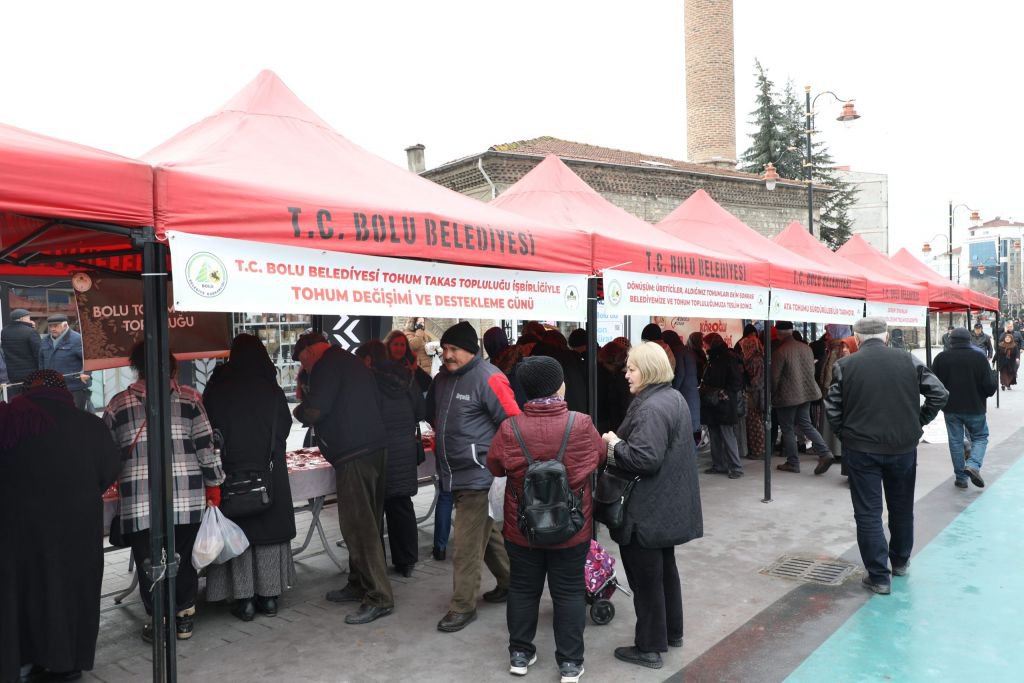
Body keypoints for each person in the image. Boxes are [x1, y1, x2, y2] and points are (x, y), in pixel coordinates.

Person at [487, 356, 604, 683]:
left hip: (522, 527)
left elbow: (495, 466)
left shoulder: (510, 427)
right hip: (572, 526)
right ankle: (569, 664)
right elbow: (600, 456)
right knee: (568, 592)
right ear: (558, 386)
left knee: (523, 590)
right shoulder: (580, 423)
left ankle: (520, 655)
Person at [0, 370, 120, 682]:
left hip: (17, 530)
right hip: (76, 527)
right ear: (64, 391)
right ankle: (68, 663)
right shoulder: (89, 425)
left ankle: (26, 659)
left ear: (24, 391)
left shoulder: (9, 421)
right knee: (73, 590)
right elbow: (108, 471)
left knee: (26, 591)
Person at [103, 343, 225, 641]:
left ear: (136, 368)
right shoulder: (190, 398)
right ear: (172, 368)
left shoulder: (117, 404)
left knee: (149, 563)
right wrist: (215, 483)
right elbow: (206, 448)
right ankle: (184, 618)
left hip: (139, 502)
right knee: (182, 557)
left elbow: (106, 454)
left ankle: (160, 624)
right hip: (186, 498)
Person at [825, 317, 948, 594]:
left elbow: (832, 407)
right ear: (887, 337)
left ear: (856, 339)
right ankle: (901, 562)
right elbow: (939, 393)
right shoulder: (909, 361)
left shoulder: (845, 365)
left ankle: (879, 576)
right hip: (902, 448)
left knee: (868, 513)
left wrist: (846, 434)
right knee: (902, 507)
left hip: (861, 449)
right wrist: (918, 422)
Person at [601, 342, 703, 670]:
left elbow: (645, 458)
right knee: (664, 573)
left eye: (631, 368)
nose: (625, 373)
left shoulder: (650, 407)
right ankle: (672, 633)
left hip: (646, 509)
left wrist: (614, 444)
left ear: (648, 370)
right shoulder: (671, 398)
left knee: (646, 581)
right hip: (666, 505)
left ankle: (649, 646)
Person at [292, 332, 394, 624]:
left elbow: (314, 411)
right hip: (374, 448)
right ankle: (359, 581)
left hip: (354, 454)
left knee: (358, 527)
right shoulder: (351, 361)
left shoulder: (326, 365)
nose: (305, 368)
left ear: (311, 352)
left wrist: (300, 405)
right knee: (369, 522)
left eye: (303, 362)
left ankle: (379, 596)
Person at [427, 321, 518, 633]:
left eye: (454, 349)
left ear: (471, 350)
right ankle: (511, 583)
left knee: (465, 543)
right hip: (453, 473)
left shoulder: (489, 378)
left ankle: (462, 606)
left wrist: (496, 462)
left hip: (480, 475)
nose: (447, 355)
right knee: (487, 534)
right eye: (444, 349)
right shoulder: (442, 379)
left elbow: (513, 423)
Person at [202, 334, 297, 621]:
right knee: (268, 535)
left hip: (231, 476)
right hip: (268, 475)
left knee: (238, 535)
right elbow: (284, 426)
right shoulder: (271, 389)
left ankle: (242, 601)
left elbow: (207, 431)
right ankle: (269, 598)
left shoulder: (218, 388)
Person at [355, 339, 424, 578]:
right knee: (402, 505)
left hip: (379, 451)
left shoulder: (367, 382)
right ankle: (407, 561)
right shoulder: (407, 377)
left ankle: (376, 567)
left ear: (368, 360)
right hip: (404, 449)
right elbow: (421, 411)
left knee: (376, 510)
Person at [932, 328, 997, 490]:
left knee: (955, 441)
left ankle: (961, 478)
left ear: (950, 340)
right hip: (975, 407)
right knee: (980, 437)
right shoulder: (979, 358)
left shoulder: (941, 358)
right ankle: (973, 465)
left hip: (951, 408)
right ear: (969, 340)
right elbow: (989, 387)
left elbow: (933, 385)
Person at [771, 321, 835, 475]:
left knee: (787, 428)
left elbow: (774, 378)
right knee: (806, 425)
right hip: (806, 393)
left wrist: (772, 396)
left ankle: (793, 462)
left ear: (779, 334)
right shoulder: (806, 348)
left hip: (787, 396)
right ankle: (825, 452)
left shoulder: (780, 351)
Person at [700, 333, 745, 478]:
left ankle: (736, 467)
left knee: (727, 434)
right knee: (714, 435)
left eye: (705, 343)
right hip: (712, 402)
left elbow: (737, 381)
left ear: (712, 343)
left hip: (724, 403)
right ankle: (719, 464)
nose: (704, 346)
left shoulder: (728, 358)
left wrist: (724, 393)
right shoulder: (713, 357)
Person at [38, 314, 92, 410]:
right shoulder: (45, 341)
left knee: (74, 418)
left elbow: (88, 359)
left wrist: (86, 373)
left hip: (73, 387)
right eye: (50, 326)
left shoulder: (77, 339)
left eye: (56, 326)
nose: (52, 329)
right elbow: (41, 361)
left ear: (65, 325)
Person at [662, 330, 700, 445]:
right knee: (692, 430)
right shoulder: (688, 350)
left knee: (684, 431)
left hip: (684, 394)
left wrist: (673, 391)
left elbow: (680, 374)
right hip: (692, 393)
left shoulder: (676, 352)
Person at [737, 327, 766, 460]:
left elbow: (756, 380)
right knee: (755, 422)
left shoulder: (754, 360)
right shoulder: (757, 357)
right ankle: (757, 448)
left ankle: (757, 450)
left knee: (755, 423)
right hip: (756, 393)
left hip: (754, 394)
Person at [1, 308, 39, 399]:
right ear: (22, 318)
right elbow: (38, 353)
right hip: (30, 373)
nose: (30, 320)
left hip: (12, 374)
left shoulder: (4, 331)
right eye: (28, 317)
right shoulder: (30, 332)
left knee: (16, 399)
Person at [596, 340, 632, 434]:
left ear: (612, 362)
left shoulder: (620, 380)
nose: (603, 366)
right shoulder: (624, 376)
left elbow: (623, 408)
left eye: (604, 363)